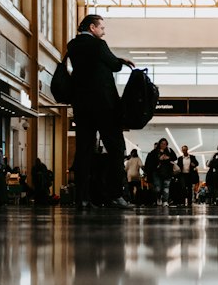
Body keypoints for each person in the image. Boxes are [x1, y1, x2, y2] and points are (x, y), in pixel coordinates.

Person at [66, 13, 136, 209]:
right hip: (104, 106)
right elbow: (114, 65)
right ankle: (114, 194)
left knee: (84, 150)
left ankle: (82, 198)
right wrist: (119, 60)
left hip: (81, 106)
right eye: (102, 28)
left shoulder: (72, 45)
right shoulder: (98, 45)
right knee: (116, 148)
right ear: (92, 28)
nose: (103, 32)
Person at [144, 137, 176, 203]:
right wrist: (159, 159)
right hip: (157, 172)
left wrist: (168, 157)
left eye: (165, 144)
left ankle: (165, 201)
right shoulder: (154, 152)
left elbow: (174, 157)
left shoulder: (169, 151)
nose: (163, 145)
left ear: (167, 145)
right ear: (159, 144)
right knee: (158, 188)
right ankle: (158, 197)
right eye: (162, 143)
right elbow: (150, 162)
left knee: (166, 187)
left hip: (167, 172)